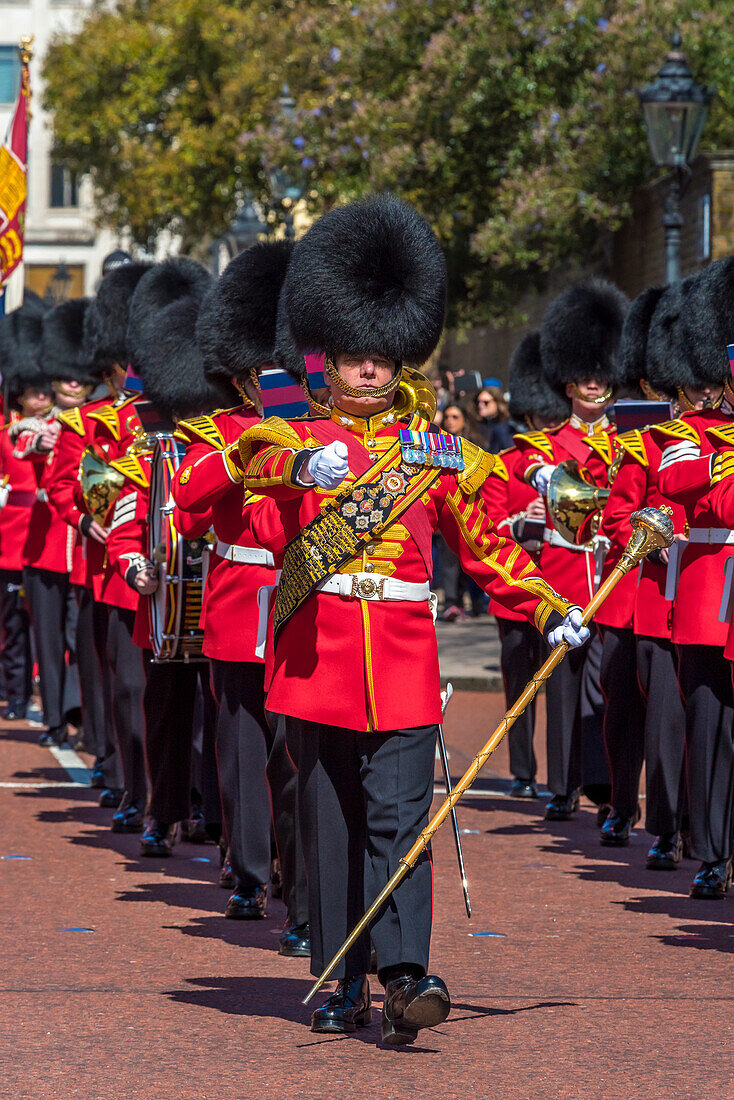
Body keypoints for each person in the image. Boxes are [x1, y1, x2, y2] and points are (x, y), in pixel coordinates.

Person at [236, 194, 589, 1044]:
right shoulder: (288, 439)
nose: (368, 370)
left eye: (382, 357)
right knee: (329, 824)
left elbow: (490, 549)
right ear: (330, 356)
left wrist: (550, 604)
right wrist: (298, 466)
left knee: (403, 821)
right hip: (317, 659)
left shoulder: (439, 458)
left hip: (400, 660)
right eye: (355, 355)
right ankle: (336, 979)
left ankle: (403, 977)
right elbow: (252, 486)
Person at [172, 240, 309, 954]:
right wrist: (240, 452)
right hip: (236, 599)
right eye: (259, 373)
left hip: (301, 598)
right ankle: (251, 875)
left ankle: (300, 882)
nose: (269, 383)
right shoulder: (214, 431)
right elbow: (188, 505)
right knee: (241, 749)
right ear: (240, 376)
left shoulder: (323, 433)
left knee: (296, 755)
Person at [105, 256, 228, 858]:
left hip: (220, 600)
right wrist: (136, 567)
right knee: (166, 716)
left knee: (221, 719)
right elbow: (125, 526)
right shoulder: (149, 451)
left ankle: (215, 811)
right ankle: (164, 810)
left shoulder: (232, 444)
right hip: (164, 605)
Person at [513, 279, 628, 822]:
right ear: (566, 381)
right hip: (563, 569)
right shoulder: (545, 443)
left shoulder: (632, 439)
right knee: (562, 685)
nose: (592, 383)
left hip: (613, 572)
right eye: (583, 375)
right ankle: (561, 784)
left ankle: (604, 786)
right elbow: (516, 473)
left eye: (601, 374)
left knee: (609, 687)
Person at [51, 262, 152, 823]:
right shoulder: (86, 422)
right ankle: (118, 770)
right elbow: (64, 488)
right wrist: (84, 517)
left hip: (166, 565)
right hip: (109, 566)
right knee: (120, 681)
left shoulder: (173, 422)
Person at [649, 258, 734, 899]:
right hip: (710, 594)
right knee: (708, 727)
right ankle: (709, 850)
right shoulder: (690, 436)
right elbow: (679, 482)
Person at [596, 286, 687, 856]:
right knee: (623, 711)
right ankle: (622, 804)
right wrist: (650, 542)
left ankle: (671, 826)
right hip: (634, 588)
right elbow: (616, 516)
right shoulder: (641, 442)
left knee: (669, 719)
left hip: (678, 596)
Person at [483, 330, 571, 798]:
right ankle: (522, 772)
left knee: (558, 689)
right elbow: (489, 528)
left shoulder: (568, 462)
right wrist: (520, 524)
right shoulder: (504, 462)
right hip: (516, 593)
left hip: (557, 584)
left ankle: (560, 781)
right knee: (519, 687)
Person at [12, 300, 100, 746]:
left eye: (79, 376)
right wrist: (41, 434)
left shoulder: (99, 420)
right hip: (46, 545)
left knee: (80, 639)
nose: (71, 382)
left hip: (86, 547)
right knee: (48, 639)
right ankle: (52, 720)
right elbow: (22, 437)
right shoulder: (39, 423)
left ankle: (79, 712)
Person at [0, 294, 48, 720]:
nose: (41, 400)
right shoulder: (7, 435)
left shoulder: (60, 431)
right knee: (14, 623)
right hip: (12, 538)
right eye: (34, 393)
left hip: (46, 535)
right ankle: (15, 693)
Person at [438, 401, 488, 619]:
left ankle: (475, 600)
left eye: (455, 416)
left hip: (470, 510)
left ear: (464, 420)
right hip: (445, 509)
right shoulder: (434, 442)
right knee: (449, 561)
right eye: (447, 416)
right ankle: (451, 602)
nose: (450, 421)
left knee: (471, 558)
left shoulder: (475, 444)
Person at [474, 386, 515, 452]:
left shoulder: (508, 426)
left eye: (485, 402)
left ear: (497, 402)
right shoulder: (477, 426)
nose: (480, 405)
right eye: (478, 402)